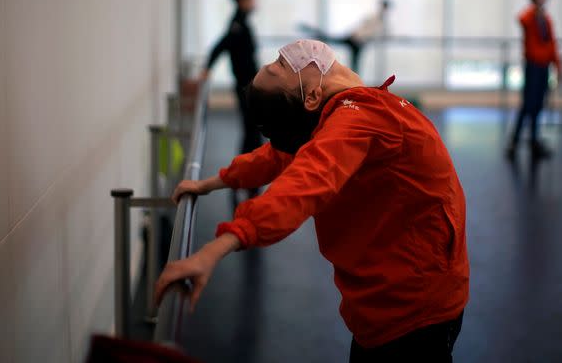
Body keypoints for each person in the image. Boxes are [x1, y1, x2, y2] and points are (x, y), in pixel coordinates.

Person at [155, 39, 469, 363]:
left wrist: (211, 183)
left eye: (276, 61)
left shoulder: (351, 113)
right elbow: (303, 179)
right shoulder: (357, 116)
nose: (283, 56)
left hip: (408, 297)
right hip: (404, 310)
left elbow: (280, 156)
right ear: (313, 96)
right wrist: (213, 248)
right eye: (279, 67)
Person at [202, 0, 262, 197]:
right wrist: (206, 68)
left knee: (253, 130)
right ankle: (245, 171)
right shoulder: (237, 24)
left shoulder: (242, 21)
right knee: (251, 130)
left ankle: (248, 170)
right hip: (245, 85)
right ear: (243, 0)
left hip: (250, 84)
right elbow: (220, 46)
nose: (255, 2)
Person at [506, 0, 562, 161]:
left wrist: (558, 66)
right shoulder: (530, 16)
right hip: (532, 65)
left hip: (543, 65)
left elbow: (552, 43)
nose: (542, 0)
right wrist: (534, 11)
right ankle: (515, 141)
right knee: (528, 104)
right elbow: (522, 19)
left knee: (538, 105)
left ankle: (533, 140)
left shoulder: (546, 19)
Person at [299, 0, 390, 73]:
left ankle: (354, 83)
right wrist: (357, 36)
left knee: (354, 61)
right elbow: (365, 30)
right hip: (355, 39)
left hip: (358, 41)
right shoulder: (375, 18)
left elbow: (373, 32)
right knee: (332, 40)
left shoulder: (380, 20)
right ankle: (311, 29)